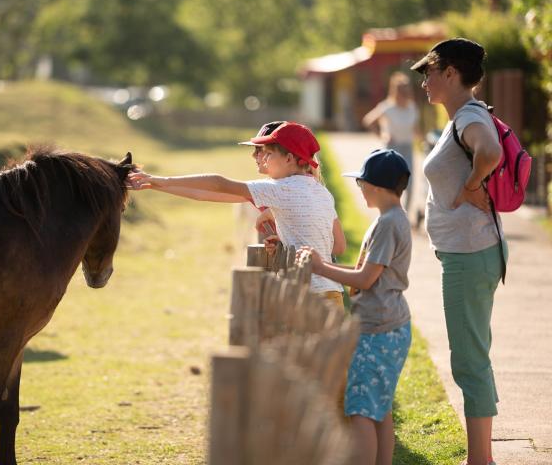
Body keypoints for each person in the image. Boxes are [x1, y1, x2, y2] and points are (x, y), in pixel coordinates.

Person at [129, 121, 346, 306]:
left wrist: (161, 180)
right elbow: (338, 246)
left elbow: (216, 184)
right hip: (332, 294)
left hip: (305, 297)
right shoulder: (321, 192)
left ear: (289, 158)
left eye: (267, 153)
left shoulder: (282, 189)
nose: (257, 156)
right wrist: (154, 185)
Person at [411, 37, 504, 465]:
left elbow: (490, 151)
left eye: (428, 71)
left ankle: (479, 460)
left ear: (450, 73)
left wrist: (469, 189)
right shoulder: (461, 117)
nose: (424, 81)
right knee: (472, 354)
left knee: (468, 359)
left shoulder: (469, 115)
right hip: (467, 253)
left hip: (470, 254)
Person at [298, 149, 412, 465]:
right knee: (380, 408)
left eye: (360, 183)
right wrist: (330, 265)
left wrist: (320, 268)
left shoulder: (387, 225)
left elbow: (364, 279)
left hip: (378, 330)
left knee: (360, 409)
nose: (359, 189)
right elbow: (370, 272)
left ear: (373, 186)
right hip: (390, 326)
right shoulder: (393, 220)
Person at [362, 72, 419, 211]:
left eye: (406, 90)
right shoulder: (387, 107)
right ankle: (390, 211)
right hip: (392, 149)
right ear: (395, 91)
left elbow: (415, 129)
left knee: (410, 183)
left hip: (407, 147)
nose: (404, 94)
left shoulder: (412, 107)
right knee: (390, 184)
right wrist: (382, 135)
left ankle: (406, 213)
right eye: (401, 91)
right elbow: (368, 121)